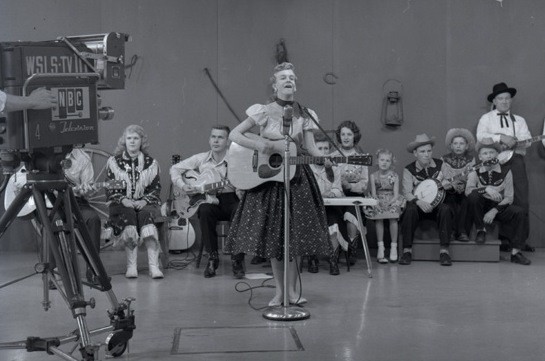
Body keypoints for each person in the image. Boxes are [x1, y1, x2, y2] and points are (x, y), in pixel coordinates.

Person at [224, 62, 331, 307]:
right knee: (276, 238)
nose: (289, 80)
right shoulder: (262, 111)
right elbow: (235, 135)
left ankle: (293, 291)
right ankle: (280, 292)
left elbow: (312, 148)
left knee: (295, 237)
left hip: (298, 178)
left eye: (292, 77)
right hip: (269, 181)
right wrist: (259, 145)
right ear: (275, 84)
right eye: (283, 77)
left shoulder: (305, 113)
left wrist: (325, 161)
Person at [169, 125, 246, 279]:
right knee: (204, 210)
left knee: (239, 210)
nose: (216, 140)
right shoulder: (201, 158)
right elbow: (175, 169)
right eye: (213, 137)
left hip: (232, 198)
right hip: (209, 198)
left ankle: (237, 259)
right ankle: (212, 258)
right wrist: (184, 185)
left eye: (220, 137)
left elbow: (245, 181)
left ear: (228, 141)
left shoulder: (236, 158)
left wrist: (241, 188)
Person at [476, 82, 533, 251]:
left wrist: (516, 141)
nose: (505, 102)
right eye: (501, 98)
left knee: (521, 199)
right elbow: (480, 136)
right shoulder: (486, 118)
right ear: (494, 101)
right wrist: (501, 137)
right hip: (494, 163)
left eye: (508, 98)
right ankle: (504, 240)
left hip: (515, 160)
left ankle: (520, 241)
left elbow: (528, 140)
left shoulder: (519, 120)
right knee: (499, 197)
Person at [104, 125, 164, 279]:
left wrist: (145, 201)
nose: (132, 141)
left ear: (142, 141)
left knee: (146, 216)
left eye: (136, 138)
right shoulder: (114, 162)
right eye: (129, 138)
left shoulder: (151, 163)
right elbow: (109, 187)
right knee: (129, 216)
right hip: (121, 204)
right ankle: (131, 266)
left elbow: (156, 188)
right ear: (124, 140)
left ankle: (153, 266)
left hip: (145, 203)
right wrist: (123, 200)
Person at [465, 138, 531, 265]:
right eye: (485, 153)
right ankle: (481, 230)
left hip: (498, 207)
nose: (488, 156)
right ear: (480, 156)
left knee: (520, 212)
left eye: (491, 153)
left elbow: (509, 198)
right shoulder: (474, 170)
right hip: (480, 207)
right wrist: (486, 188)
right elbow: (468, 191)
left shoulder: (506, 171)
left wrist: (494, 211)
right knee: (473, 196)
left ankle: (516, 252)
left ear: (497, 155)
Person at [399, 134, 455, 266]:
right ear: (415, 153)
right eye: (422, 151)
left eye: (429, 151)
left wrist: (449, 185)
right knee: (409, 210)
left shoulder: (441, 165)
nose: (426, 154)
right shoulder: (409, 169)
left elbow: (453, 186)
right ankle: (407, 251)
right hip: (418, 206)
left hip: (438, 205)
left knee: (446, 209)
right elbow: (406, 193)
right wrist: (418, 202)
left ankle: (444, 252)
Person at [309, 134, 349, 275]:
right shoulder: (307, 168)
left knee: (334, 223)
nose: (324, 151)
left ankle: (333, 259)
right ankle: (312, 258)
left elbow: (338, 189)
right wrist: (321, 194)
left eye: (326, 148)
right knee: (309, 222)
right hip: (311, 208)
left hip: (330, 207)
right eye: (320, 148)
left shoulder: (335, 168)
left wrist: (333, 192)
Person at [330, 120, 369, 263]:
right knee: (333, 216)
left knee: (350, 215)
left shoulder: (362, 157)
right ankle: (336, 249)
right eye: (343, 134)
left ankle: (351, 251)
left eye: (349, 134)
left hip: (354, 195)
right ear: (339, 136)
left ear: (354, 136)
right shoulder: (332, 156)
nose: (346, 137)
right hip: (336, 195)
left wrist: (350, 187)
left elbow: (364, 183)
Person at [366, 149, 404, 263]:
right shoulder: (373, 176)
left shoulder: (394, 176)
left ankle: (393, 247)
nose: (384, 162)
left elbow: (396, 194)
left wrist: (390, 202)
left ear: (391, 162)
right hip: (378, 199)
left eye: (387, 160)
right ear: (378, 161)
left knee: (393, 216)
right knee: (379, 217)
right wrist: (378, 202)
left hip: (391, 199)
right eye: (382, 160)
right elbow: (373, 193)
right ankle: (380, 247)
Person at [441, 128, 476, 242]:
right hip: (450, 189)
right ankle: (450, 231)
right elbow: (444, 175)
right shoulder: (444, 159)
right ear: (451, 145)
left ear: (466, 146)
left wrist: (464, 185)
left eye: (461, 143)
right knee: (450, 200)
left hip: (465, 188)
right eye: (455, 143)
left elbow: (472, 175)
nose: (458, 146)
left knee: (466, 201)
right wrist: (452, 184)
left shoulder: (471, 160)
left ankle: (462, 231)